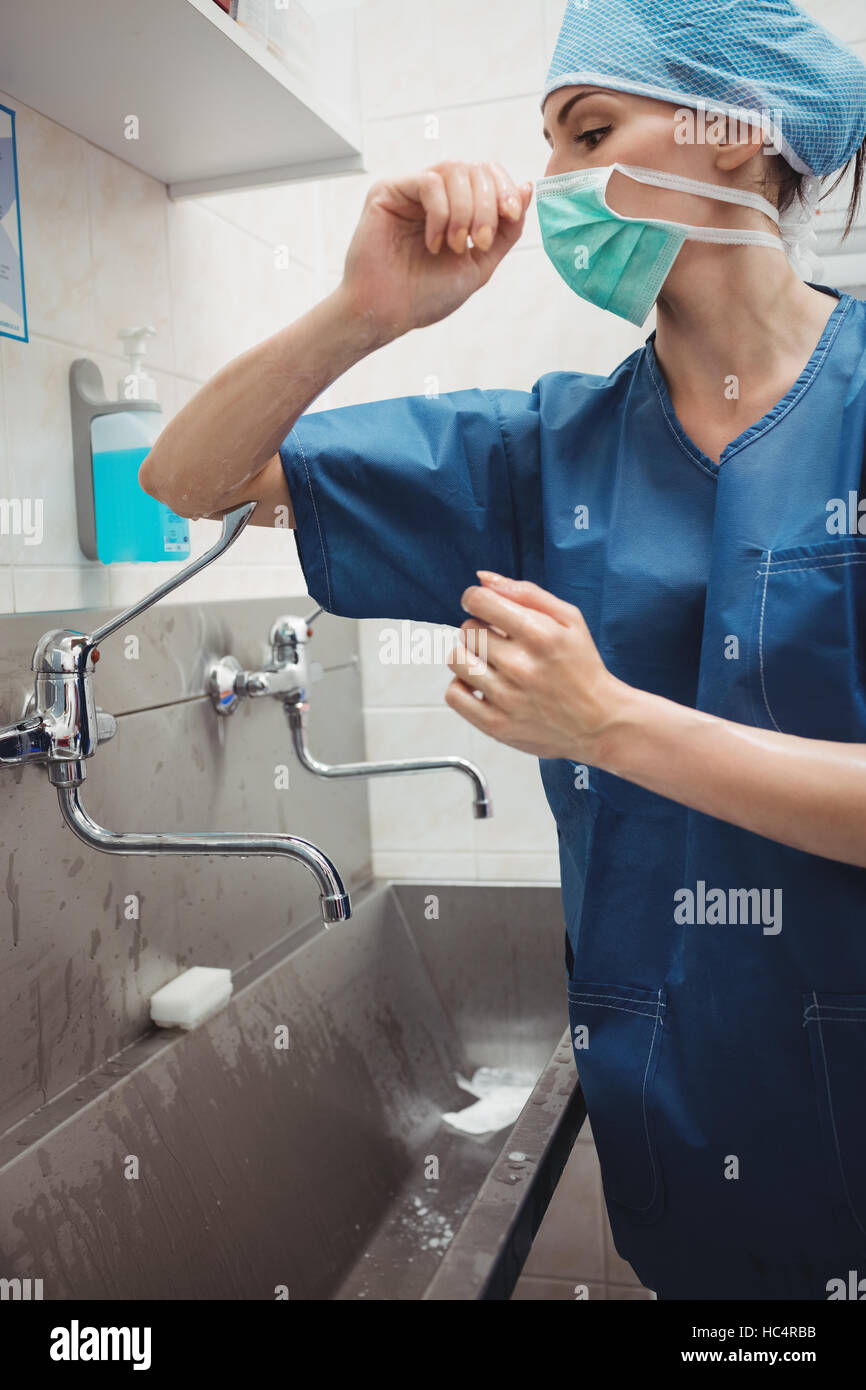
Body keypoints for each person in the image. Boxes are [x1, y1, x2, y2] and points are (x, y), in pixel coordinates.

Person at [141, 0, 866, 1299]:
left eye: (588, 131)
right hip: (686, 1156)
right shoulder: (542, 452)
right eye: (546, 143)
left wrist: (608, 727)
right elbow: (188, 475)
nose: (554, 188)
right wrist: (362, 313)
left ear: (740, 133)